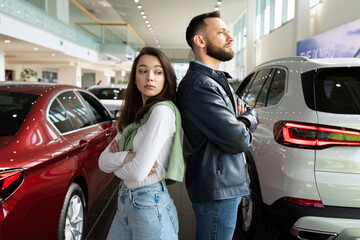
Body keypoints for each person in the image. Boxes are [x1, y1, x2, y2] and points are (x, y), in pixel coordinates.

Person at [176, 11, 259, 240]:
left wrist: (244, 118)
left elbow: (252, 110)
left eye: (229, 32)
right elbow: (238, 139)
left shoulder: (217, 81)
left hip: (224, 185)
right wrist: (243, 121)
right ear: (200, 41)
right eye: (222, 33)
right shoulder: (198, 86)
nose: (230, 38)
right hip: (216, 189)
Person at [99, 46, 184, 240]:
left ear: (166, 78)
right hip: (125, 200)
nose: (150, 77)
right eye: (143, 71)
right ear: (135, 78)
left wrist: (118, 167)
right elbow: (102, 162)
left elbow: (138, 172)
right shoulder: (135, 116)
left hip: (149, 202)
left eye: (157, 72)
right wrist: (127, 157)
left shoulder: (162, 112)